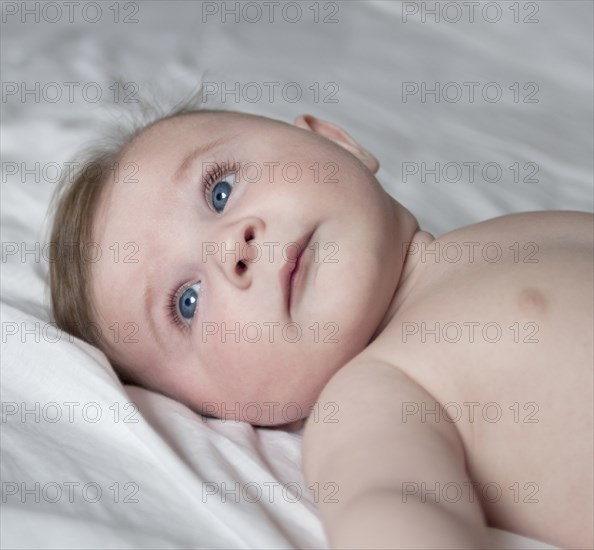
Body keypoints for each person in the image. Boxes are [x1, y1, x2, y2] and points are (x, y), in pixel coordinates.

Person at [48, 107, 593, 549]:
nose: (229, 247)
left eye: (221, 191)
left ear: (339, 142)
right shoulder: (372, 396)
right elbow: (391, 508)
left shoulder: (509, 236)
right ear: (218, 410)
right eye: (187, 303)